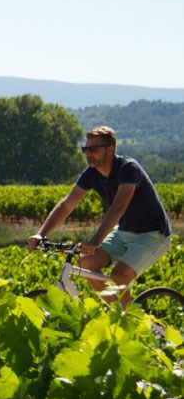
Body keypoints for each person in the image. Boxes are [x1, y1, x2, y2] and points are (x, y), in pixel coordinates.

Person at [28, 125, 171, 307]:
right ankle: (119, 312)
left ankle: (131, 327)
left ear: (110, 149)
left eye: (94, 149)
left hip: (152, 235)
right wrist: (41, 234)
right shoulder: (91, 174)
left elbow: (118, 207)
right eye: (85, 149)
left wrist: (96, 241)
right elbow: (67, 204)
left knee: (119, 276)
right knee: (85, 263)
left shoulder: (128, 169)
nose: (88, 153)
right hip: (124, 233)